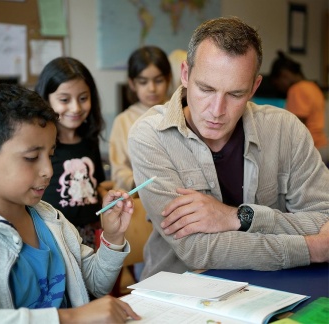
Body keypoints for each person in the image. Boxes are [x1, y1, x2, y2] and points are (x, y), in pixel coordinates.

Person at [127, 16, 329, 280]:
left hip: (278, 285)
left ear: (254, 87)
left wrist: (238, 217)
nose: (217, 111)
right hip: (181, 292)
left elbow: (323, 219)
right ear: (186, 75)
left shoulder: (285, 129)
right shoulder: (150, 135)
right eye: (206, 89)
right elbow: (197, 249)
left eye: (235, 94)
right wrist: (309, 248)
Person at [0, 83, 140, 323]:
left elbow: (94, 283)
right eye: (31, 158)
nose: (48, 170)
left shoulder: (49, 218)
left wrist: (112, 239)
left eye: (50, 155)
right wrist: (69, 317)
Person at [35, 57, 107, 249]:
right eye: (64, 100)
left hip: (91, 236)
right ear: (45, 99)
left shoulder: (90, 141)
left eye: (83, 98)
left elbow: (97, 187)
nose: (75, 108)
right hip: (53, 236)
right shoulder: (38, 145)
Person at [109, 46, 172, 192]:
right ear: (132, 83)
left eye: (158, 80)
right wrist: (140, 184)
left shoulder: (180, 112)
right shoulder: (123, 121)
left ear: (168, 79)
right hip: (141, 198)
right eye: (143, 82)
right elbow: (119, 171)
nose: (151, 88)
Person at [269, 50, 328, 162]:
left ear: (284, 75)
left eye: (277, 84)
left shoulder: (297, 89)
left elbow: (297, 126)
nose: (279, 89)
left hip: (310, 150)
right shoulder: (313, 87)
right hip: (322, 146)